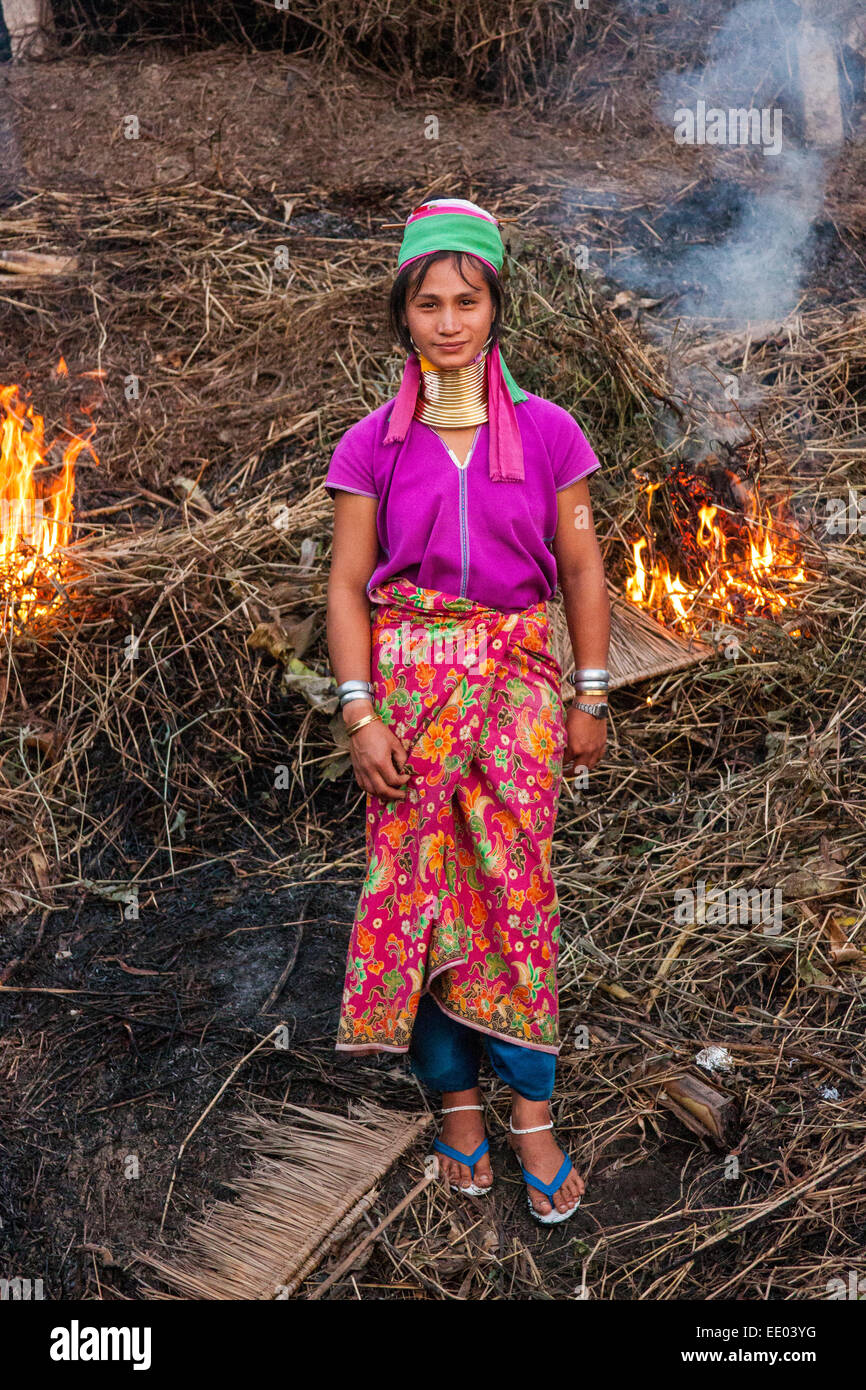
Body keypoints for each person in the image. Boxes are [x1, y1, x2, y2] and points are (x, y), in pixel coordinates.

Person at [325, 197, 609, 1223]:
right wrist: (360, 716)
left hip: (518, 693)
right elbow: (346, 584)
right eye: (427, 303)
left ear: (496, 308)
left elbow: (579, 566)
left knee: (513, 895)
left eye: (466, 300)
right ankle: (456, 1114)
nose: (447, 322)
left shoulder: (548, 432)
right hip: (405, 700)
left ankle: (530, 1116)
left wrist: (588, 690)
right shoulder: (369, 445)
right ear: (401, 314)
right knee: (417, 899)